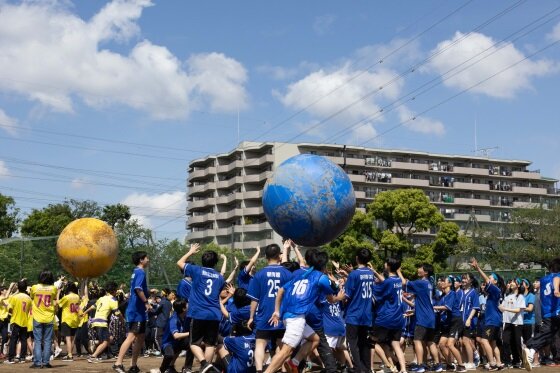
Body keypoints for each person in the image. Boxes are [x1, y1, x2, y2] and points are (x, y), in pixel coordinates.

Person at [264, 249, 344, 373]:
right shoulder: (321, 277)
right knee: (286, 351)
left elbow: (280, 291)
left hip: (288, 315)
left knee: (315, 339)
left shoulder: (300, 275)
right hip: (296, 317)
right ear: (323, 265)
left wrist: (277, 311)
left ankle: (294, 362)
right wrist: (339, 297)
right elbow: (332, 297)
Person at [177, 243, 226, 373]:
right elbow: (218, 292)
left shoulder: (196, 270)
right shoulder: (220, 277)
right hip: (214, 314)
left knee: (193, 343)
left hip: (198, 312)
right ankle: (206, 368)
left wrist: (190, 252)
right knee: (211, 344)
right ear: (215, 263)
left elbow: (180, 263)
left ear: (202, 260)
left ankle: (204, 364)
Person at [247, 243, 292, 373]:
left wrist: (251, 317)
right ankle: (283, 369)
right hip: (281, 314)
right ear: (279, 255)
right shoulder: (287, 273)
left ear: (265, 256)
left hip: (264, 314)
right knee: (282, 345)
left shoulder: (259, 274)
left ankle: (260, 370)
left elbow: (254, 299)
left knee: (260, 343)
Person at [398, 263, 442, 373]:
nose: (418, 269)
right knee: (430, 342)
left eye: (420, 268)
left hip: (423, 318)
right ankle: (438, 364)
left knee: (417, 340)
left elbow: (404, 283)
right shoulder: (429, 284)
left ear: (425, 272)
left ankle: (420, 364)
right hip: (430, 316)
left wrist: (398, 271)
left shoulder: (421, 283)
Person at [113, 251, 151, 373]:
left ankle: (133, 365)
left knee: (140, 337)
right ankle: (118, 363)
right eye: (146, 258)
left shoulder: (135, 272)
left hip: (136, 310)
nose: (148, 260)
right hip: (136, 311)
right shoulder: (140, 272)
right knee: (131, 336)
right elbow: (138, 288)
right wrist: (146, 302)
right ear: (141, 260)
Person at [523, 257, 560, 370]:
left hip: (547, 313)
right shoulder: (557, 277)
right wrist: (556, 289)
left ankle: (531, 350)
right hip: (557, 311)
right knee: (549, 333)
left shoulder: (543, 280)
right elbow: (556, 279)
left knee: (550, 334)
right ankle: (530, 346)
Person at [371, 257, 407, 373]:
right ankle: (403, 369)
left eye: (385, 263)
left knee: (372, 341)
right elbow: (399, 282)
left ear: (389, 266)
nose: (384, 264)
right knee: (395, 344)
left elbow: (375, 290)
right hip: (398, 318)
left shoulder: (388, 282)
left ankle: (380, 367)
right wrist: (375, 272)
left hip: (386, 317)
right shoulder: (397, 280)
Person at [470, 258, 505, 371]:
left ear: (495, 281)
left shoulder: (494, 289)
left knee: (484, 341)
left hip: (492, 321)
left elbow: (486, 279)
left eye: (490, 278)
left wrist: (478, 268)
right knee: (493, 343)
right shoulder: (495, 291)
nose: (487, 280)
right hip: (495, 320)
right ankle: (499, 363)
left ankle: (492, 363)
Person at [345, 248, 375, 373]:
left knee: (352, 342)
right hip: (366, 314)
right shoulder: (371, 273)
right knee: (364, 343)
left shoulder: (354, 274)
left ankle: (357, 368)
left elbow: (347, 295)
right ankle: (366, 368)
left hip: (354, 314)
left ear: (357, 258)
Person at [86, 282, 122, 363]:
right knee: (106, 342)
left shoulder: (101, 298)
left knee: (107, 340)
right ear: (114, 290)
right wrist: (123, 320)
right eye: (116, 290)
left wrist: (84, 313)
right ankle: (93, 356)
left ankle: (94, 344)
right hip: (102, 323)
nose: (116, 292)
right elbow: (117, 313)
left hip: (95, 322)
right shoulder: (113, 300)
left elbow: (93, 306)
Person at [30, 270, 58, 369]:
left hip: (37, 316)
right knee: (47, 340)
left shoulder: (34, 287)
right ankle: (46, 362)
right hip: (49, 317)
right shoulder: (53, 289)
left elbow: (32, 297)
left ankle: (37, 363)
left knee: (37, 340)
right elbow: (54, 299)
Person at [157, 299, 190, 373]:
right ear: (183, 309)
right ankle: (162, 370)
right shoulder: (174, 319)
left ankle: (187, 367)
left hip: (178, 342)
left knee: (193, 345)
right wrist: (190, 333)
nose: (189, 306)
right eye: (187, 305)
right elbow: (176, 335)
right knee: (169, 355)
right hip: (168, 344)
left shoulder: (184, 316)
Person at [501, 278, 526, 368]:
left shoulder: (520, 297)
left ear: (518, 285)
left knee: (517, 343)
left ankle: (522, 360)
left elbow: (518, 310)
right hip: (507, 322)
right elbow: (502, 307)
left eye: (513, 282)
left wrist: (506, 309)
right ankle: (508, 361)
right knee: (506, 341)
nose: (511, 283)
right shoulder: (507, 295)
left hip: (517, 323)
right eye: (510, 282)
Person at [4, 279, 31, 364]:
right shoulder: (28, 298)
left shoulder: (14, 297)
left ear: (18, 288)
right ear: (26, 288)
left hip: (15, 321)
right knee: (23, 340)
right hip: (25, 321)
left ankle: (11, 358)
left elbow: (10, 309)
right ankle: (22, 358)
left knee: (13, 340)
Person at [57, 281, 81, 361]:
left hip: (67, 319)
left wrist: (58, 293)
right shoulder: (77, 296)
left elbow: (58, 304)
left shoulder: (66, 297)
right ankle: (69, 353)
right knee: (72, 338)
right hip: (75, 319)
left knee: (67, 338)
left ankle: (70, 355)